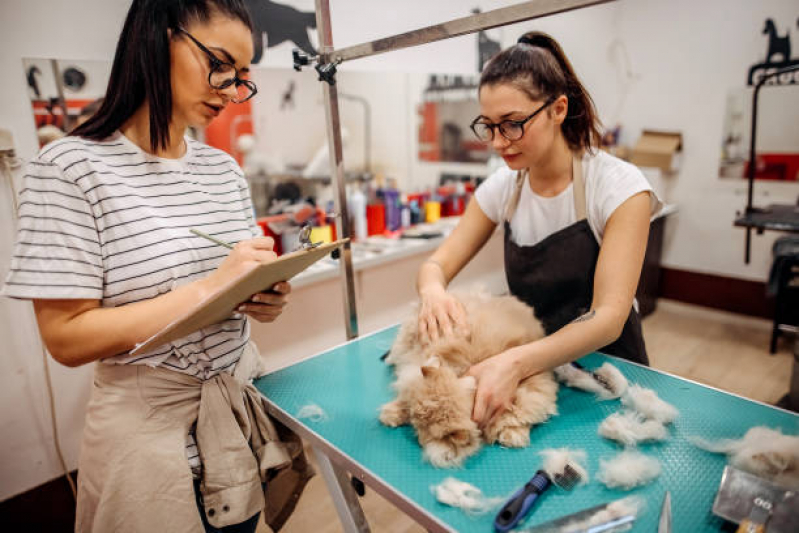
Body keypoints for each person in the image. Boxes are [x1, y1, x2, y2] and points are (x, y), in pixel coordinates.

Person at [2, 1, 313, 532]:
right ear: (158, 38)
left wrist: (263, 299)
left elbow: (232, 291)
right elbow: (67, 338)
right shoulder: (68, 169)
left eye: (241, 77)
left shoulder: (222, 169)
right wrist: (214, 286)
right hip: (150, 443)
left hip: (238, 427)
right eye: (219, 64)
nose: (229, 89)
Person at [416, 32, 661, 432]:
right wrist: (432, 292)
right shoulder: (504, 188)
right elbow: (436, 264)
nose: (498, 142)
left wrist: (512, 363)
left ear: (558, 109)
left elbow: (608, 317)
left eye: (512, 125)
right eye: (488, 126)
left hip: (610, 373)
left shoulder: (617, 187)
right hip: (535, 377)